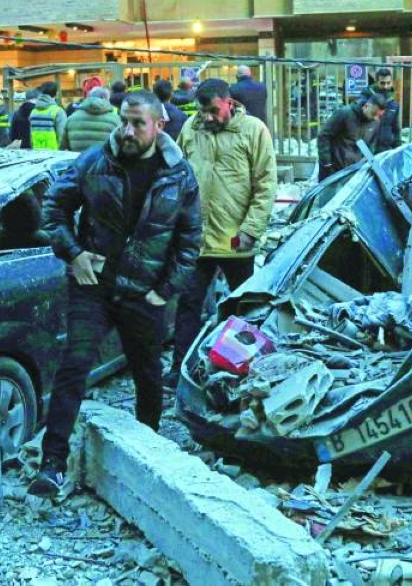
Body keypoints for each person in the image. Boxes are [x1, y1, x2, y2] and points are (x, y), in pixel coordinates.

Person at [28, 91, 201, 498]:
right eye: (123, 121)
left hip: (145, 292)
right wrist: (73, 253)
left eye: (137, 123)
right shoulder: (94, 162)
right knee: (74, 365)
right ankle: (52, 463)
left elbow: (190, 239)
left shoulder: (179, 174)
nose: (127, 130)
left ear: (160, 126)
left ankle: (148, 449)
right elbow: (53, 210)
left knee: (148, 373)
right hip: (94, 286)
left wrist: (164, 291)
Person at [170, 79, 276, 386]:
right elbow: (177, 174)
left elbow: (265, 184)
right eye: (203, 112)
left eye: (214, 111)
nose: (208, 118)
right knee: (189, 305)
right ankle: (179, 369)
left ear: (229, 103)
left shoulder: (253, 130)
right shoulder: (191, 128)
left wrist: (251, 229)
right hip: (197, 239)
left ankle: (248, 369)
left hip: (236, 240)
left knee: (245, 309)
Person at [317, 92, 387, 180]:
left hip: (354, 172)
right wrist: (326, 162)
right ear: (366, 106)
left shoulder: (375, 123)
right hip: (333, 169)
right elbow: (324, 136)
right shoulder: (344, 114)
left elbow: (371, 146)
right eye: (374, 114)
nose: (376, 118)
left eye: (379, 116)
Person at [61, 86, 118, 152]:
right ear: (104, 98)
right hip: (103, 161)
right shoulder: (115, 119)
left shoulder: (71, 118)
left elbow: (63, 146)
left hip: (78, 160)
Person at [368, 67, 402, 153]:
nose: (385, 86)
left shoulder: (394, 105)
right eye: (382, 83)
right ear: (376, 83)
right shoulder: (368, 100)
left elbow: (396, 129)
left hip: (386, 149)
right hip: (369, 149)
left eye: (388, 83)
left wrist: (398, 149)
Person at [29, 81, 67, 150]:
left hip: (36, 153)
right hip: (54, 154)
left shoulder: (33, 112)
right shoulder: (58, 111)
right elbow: (62, 137)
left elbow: (31, 136)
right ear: (56, 94)